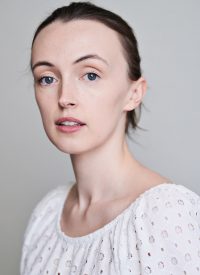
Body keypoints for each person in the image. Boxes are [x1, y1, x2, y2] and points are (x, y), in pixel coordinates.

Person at [20, 2, 200, 274]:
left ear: (134, 93)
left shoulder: (164, 214)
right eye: (47, 78)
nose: (65, 98)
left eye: (90, 75)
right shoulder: (47, 214)